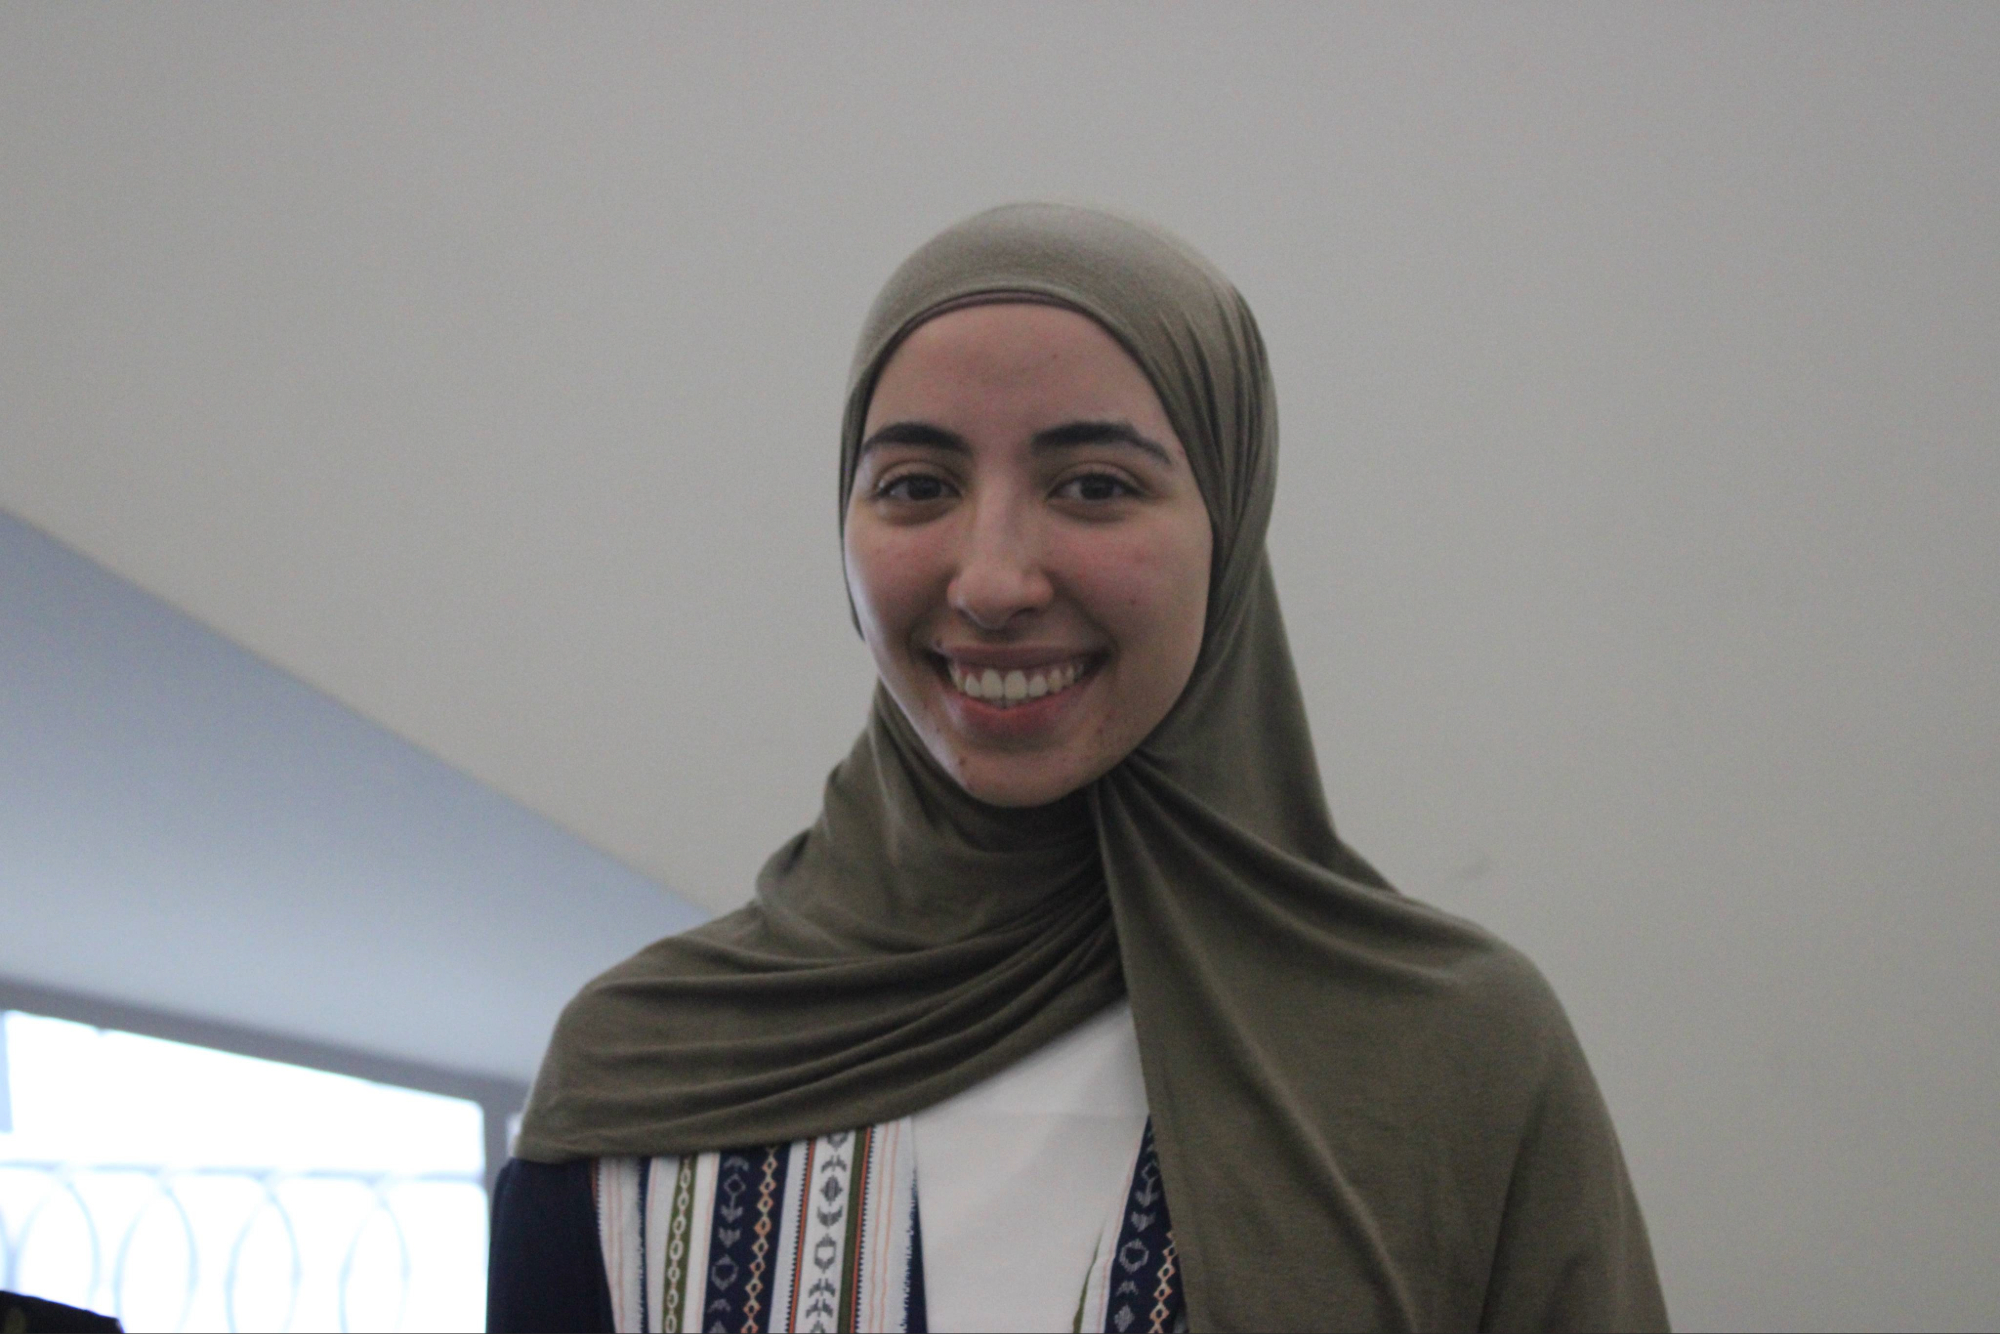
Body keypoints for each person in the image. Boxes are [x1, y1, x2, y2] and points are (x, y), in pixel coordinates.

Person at [486, 203, 1668, 1334]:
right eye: (916, 486)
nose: (992, 580)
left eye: (1093, 485)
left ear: (1230, 522)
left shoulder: (1452, 1061)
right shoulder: (639, 1082)